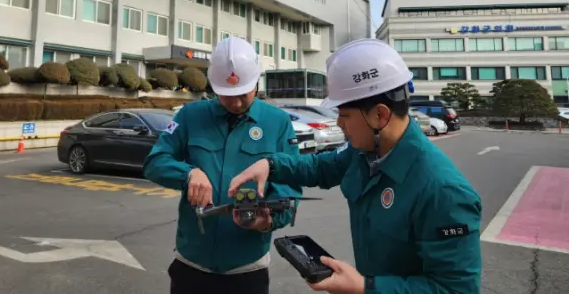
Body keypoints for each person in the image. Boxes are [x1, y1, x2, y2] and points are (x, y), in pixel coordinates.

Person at [228, 38, 482, 293]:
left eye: (345, 114)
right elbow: (321, 167)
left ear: (380, 115)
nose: (339, 123)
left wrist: (365, 287)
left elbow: (456, 289)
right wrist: (270, 164)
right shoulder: (365, 152)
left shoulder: (443, 192)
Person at [143, 36, 303, 294]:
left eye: (243, 94)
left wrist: (268, 220)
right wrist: (188, 174)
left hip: (247, 267)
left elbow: (290, 186)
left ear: (257, 82)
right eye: (227, 95)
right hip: (192, 263)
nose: (236, 103)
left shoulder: (278, 122)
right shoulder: (190, 116)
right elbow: (154, 162)